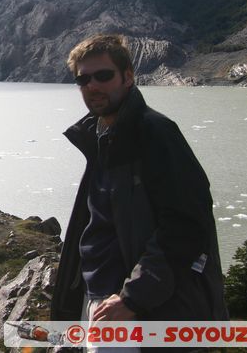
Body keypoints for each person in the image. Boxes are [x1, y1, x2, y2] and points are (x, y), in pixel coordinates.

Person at [50, 34, 228, 333]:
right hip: (98, 296)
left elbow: (186, 225)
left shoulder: (155, 133)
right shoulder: (98, 137)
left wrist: (133, 298)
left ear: (128, 77)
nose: (92, 86)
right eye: (83, 80)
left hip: (137, 307)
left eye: (103, 76)